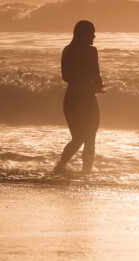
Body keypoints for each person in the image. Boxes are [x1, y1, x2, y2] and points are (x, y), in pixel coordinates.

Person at [53, 20, 105, 174]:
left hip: (88, 99)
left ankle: (86, 172)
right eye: (91, 33)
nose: (94, 36)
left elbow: (96, 75)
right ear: (82, 34)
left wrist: (98, 87)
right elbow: (65, 76)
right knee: (80, 137)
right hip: (74, 100)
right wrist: (87, 81)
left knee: (90, 138)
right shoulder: (68, 51)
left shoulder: (92, 51)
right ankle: (60, 167)